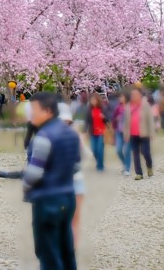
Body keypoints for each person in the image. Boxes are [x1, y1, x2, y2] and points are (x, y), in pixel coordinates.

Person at [23, 92, 80, 270]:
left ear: (47, 111)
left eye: (34, 110)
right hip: (68, 197)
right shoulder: (70, 134)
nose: (31, 115)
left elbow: (34, 174)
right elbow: (76, 166)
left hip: (47, 201)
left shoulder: (43, 136)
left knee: (48, 254)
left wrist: (25, 185)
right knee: (66, 250)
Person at [58, 102, 87, 248]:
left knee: (73, 219)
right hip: (67, 181)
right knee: (69, 219)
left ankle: (70, 249)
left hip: (71, 181)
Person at [123, 87, 154, 180]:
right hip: (133, 134)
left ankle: (149, 166)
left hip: (144, 133)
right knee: (135, 154)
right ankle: (139, 173)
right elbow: (126, 122)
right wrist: (126, 134)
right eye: (132, 95)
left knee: (145, 152)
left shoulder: (145, 105)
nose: (133, 96)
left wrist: (152, 133)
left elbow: (150, 120)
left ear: (140, 95)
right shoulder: (128, 106)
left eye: (135, 94)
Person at [83, 93, 106, 172]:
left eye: (94, 100)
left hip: (101, 132)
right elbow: (87, 121)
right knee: (94, 150)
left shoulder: (102, 108)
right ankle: (99, 162)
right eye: (92, 100)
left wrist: (104, 118)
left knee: (100, 150)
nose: (93, 101)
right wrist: (84, 131)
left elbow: (108, 119)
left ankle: (100, 166)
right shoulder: (89, 109)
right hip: (93, 132)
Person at [112, 93, 132, 176]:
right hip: (119, 131)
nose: (120, 98)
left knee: (127, 150)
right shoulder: (117, 107)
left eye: (122, 96)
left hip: (128, 132)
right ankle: (124, 164)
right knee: (118, 150)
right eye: (119, 97)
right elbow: (113, 118)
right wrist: (116, 120)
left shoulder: (130, 107)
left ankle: (127, 168)